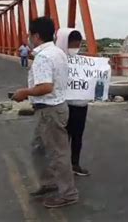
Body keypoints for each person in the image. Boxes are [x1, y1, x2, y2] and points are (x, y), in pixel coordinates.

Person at [12, 17, 78, 208]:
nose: (29, 38)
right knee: (38, 148)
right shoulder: (58, 52)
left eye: (30, 34)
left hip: (50, 110)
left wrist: (24, 92)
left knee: (58, 153)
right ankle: (49, 183)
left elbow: (46, 87)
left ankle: (68, 193)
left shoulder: (43, 57)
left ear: (37, 35)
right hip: (55, 108)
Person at [55, 28, 90, 176]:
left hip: (81, 105)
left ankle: (75, 164)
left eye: (78, 45)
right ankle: (60, 167)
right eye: (73, 45)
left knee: (77, 137)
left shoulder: (82, 62)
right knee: (62, 138)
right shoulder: (56, 61)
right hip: (64, 105)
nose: (76, 48)